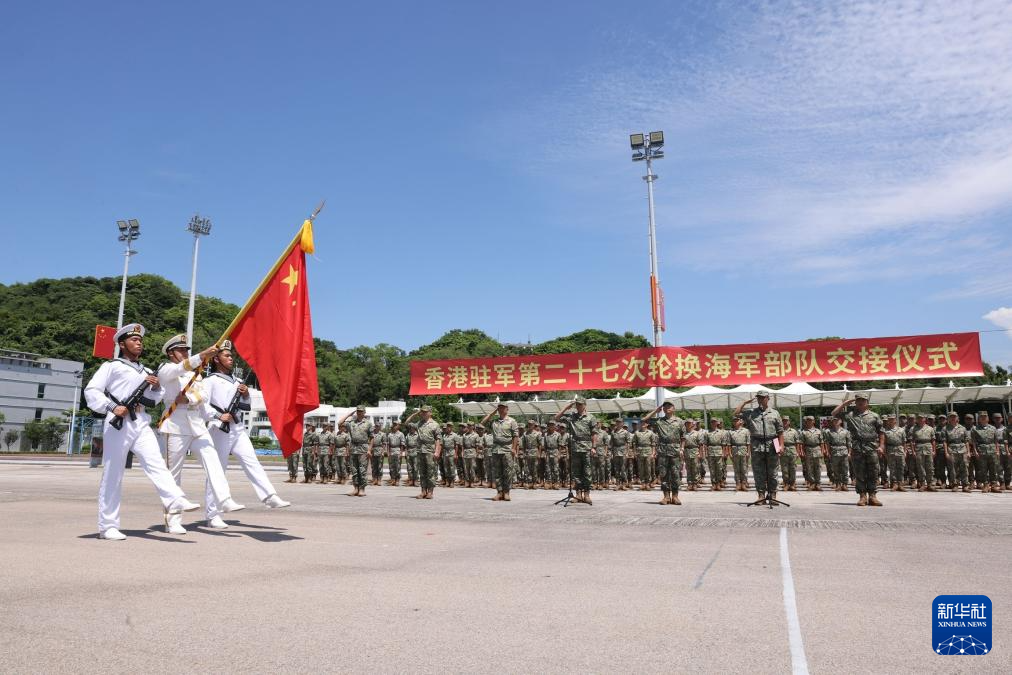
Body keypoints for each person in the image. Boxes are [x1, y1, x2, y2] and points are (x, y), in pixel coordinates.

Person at [84, 324, 201, 540]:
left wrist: (156, 387)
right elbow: (92, 390)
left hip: (140, 420)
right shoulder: (112, 366)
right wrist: (110, 407)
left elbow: (154, 399)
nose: (139, 343)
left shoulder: (148, 371)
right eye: (133, 340)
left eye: (140, 340)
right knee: (113, 474)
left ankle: (175, 498)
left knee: (155, 462)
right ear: (122, 344)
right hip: (118, 421)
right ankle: (108, 526)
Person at [157, 334, 244, 533]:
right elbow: (180, 368)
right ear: (171, 353)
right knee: (173, 473)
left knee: (212, 460)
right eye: (181, 350)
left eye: (187, 350)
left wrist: (189, 398)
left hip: (196, 422)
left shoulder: (195, 374)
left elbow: (204, 395)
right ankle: (173, 519)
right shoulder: (167, 368)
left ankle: (224, 499)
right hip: (176, 423)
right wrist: (201, 355)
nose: (186, 353)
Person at [204, 343, 290, 523]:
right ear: (216, 359)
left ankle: (269, 496)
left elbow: (246, 406)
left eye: (230, 355)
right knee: (218, 471)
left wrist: (245, 394)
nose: (230, 358)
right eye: (226, 355)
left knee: (252, 461)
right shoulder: (209, 380)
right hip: (219, 428)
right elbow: (201, 404)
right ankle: (213, 514)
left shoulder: (237, 381)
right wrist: (218, 415)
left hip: (237, 428)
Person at [831, 394, 884, 506]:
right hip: (857, 447)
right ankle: (862, 496)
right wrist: (846, 403)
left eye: (863, 400)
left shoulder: (874, 416)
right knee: (859, 472)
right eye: (858, 400)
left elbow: (881, 432)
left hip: (871, 446)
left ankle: (873, 496)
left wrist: (881, 446)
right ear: (855, 402)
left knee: (873, 472)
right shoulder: (850, 415)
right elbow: (834, 413)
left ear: (867, 402)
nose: (861, 402)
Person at [734, 392, 784, 502]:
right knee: (758, 471)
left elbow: (780, 431)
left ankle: (773, 495)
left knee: (773, 471)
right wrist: (744, 402)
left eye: (762, 398)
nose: (760, 400)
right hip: (757, 444)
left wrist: (781, 445)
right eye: (759, 398)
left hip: (772, 442)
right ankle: (761, 495)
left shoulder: (775, 413)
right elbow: (736, 413)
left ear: (768, 398)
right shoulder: (751, 413)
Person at [555, 398, 598, 504]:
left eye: (580, 404)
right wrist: (566, 407)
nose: (578, 406)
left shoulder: (591, 417)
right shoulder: (572, 417)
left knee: (587, 472)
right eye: (577, 405)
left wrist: (594, 447)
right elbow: (556, 418)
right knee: (576, 473)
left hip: (587, 447)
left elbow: (594, 433)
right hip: (575, 447)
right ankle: (578, 494)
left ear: (585, 405)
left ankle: (586, 494)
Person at [642, 401, 684, 504]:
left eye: (669, 406)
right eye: (665, 406)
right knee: (663, 474)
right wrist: (655, 411)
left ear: (674, 408)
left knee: (675, 473)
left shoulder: (679, 421)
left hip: (675, 450)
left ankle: (675, 496)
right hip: (663, 450)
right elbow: (644, 420)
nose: (667, 408)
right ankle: (666, 497)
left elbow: (683, 437)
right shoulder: (659, 421)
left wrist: (682, 449)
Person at [480, 402, 519, 501]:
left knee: (507, 472)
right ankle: (499, 492)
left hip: (507, 449)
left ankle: (506, 492)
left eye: (503, 408)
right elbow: (482, 423)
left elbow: (515, 436)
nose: (501, 410)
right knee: (497, 472)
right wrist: (492, 413)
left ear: (507, 409)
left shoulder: (512, 421)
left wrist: (514, 448)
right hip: (496, 450)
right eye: (499, 408)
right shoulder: (494, 421)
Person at [403, 406, 441, 499]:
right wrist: (415, 414)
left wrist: (437, 451)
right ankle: (423, 491)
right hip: (420, 450)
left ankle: (430, 492)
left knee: (431, 472)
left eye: (425, 412)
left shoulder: (435, 424)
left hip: (430, 450)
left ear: (430, 413)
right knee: (422, 472)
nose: (423, 413)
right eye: (422, 412)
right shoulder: (419, 423)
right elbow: (406, 423)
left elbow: (438, 439)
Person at [339, 406, 374, 497]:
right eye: (358, 411)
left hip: (363, 448)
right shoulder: (351, 423)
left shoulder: (368, 423)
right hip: (353, 448)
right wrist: (349, 414)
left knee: (362, 469)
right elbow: (339, 423)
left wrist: (369, 450)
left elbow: (372, 437)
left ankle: (362, 489)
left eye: (361, 411)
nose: (359, 413)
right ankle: (355, 488)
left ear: (364, 412)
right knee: (354, 469)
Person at [970, 411, 1002, 493]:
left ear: (988, 418)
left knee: (993, 469)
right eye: (981, 417)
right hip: (981, 451)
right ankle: (985, 485)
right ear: (979, 419)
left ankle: (994, 485)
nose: (983, 418)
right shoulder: (974, 429)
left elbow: (996, 441)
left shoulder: (993, 428)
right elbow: (973, 442)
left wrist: (997, 450)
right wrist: (975, 451)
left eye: (985, 416)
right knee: (982, 469)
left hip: (992, 450)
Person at [943, 411, 970, 492]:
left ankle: (965, 485)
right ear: (948, 419)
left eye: (954, 416)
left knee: (965, 467)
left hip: (963, 450)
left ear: (957, 418)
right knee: (953, 469)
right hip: (952, 449)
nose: (953, 418)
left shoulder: (963, 428)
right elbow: (945, 442)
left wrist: (968, 452)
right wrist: (946, 452)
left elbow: (966, 441)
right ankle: (955, 484)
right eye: (951, 417)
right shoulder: (945, 429)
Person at [822, 416, 851, 491]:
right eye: (834, 420)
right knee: (835, 469)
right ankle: (838, 484)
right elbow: (827, 443)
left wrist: (849, 453)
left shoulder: (846, 431)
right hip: (834, 451)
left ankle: (844, 484)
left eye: (837, 420)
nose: (836, 421)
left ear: (841, 421)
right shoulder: (829, 432)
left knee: (845, 469)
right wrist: (828, 452)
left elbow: (849, 443)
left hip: (844, 451)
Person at [881, 415, 908, 491]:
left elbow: (904, 442)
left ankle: (900, 484)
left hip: (900, 449)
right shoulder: (885, 431)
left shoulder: (901, 430)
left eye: (892, 419)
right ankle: (894, 483)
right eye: (889, 419)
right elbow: (884, 443)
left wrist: (905, 451)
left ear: (895, 420)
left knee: (901, 467)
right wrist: (885, 453)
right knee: (892, 468)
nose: (891, 421)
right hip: (890, 450)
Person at [911, 414, 937, 491]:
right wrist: (913, 451)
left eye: (922, 418)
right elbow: (912, 441)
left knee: (930, 467)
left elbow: (933, 440)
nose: (920, 420)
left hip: (928, 447)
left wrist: (934, 450)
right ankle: (922, 484)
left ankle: (930, 484)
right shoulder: (914, 429)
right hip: (918, 447)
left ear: (925, 419)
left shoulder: (930, 428)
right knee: (920, 467)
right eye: (919, 418)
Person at [799, 416, 825, 491]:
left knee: (818, 468)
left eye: (811, 420)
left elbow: (822, 443)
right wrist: (802, 451)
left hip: (817, 449)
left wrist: (822, 452)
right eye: (808, 421)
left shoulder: (818, 431)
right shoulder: (803, 432)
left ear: (813, 421)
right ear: (806, 422)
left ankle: (818, 484)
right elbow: (801, 443)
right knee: (809, 468)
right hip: (808, 450)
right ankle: (812, 483)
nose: (809, 422)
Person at [704, 417, 729, 491]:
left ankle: (718, 483)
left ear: (717, 423)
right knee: (712, 469)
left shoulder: (721, 432)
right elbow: (705, 444)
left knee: (719, 469)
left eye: (714, 422)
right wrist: (705, 453)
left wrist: (724, 453)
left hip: (719, 452)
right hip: (710, 452)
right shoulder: (707, 432)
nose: (713, 423)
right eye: (712, 422)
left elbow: (724, 444)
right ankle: (713, 484)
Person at [728, 416, 751, 491]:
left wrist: (748, 452)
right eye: (734, 421)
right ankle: (738, 484)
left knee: (744, 468)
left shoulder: (746, 431)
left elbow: (748, 443)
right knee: (736, 469)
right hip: (735, 451)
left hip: (743, 450)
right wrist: (730, 453)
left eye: (737, 420)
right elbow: (729, 444)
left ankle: (743, 484)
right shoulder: (731, 432)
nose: (735, 422)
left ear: (740, 421)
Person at [632, 418, 656, 492]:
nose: (643, 424)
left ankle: (648, 483)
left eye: (644, 423)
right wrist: (635, 452)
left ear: (647, 424)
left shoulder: (650, 433)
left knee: (648, 468)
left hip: (648, 451)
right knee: (641, 468)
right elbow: (634, 443)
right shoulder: (637, 433)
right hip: (640, 452)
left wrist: (653, 453)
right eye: (641, 423)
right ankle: (643, 483)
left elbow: (653, 444)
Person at [608, 419, 631, 491]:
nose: (618, 423)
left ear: (622, 423)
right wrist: (611, 453)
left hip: (623, 450)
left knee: (623, 468)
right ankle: (618, 484)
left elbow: (628, 443)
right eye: (617, 422)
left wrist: (627, 452)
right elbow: (611, 443)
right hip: (615, 451)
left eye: (620, 422)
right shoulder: (613, 432)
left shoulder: (625, 432)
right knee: (616, 468)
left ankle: (623, 484)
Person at [681, 419, 704, 491]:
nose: (688, 424)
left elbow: (700, 445)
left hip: (695, 451)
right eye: (686, 423)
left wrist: (700, 453)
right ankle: (689, 484)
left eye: (689, 423)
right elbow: (682, 443)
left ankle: (695, 483)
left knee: (695, 469)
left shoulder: (697, 433)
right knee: (688, 469)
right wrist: (682, 451)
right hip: (687, 451)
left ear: (692, 424)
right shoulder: (684, 434)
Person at [520, 419, 543, 489]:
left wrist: (539, 453)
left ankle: (534, 482)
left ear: (533, 425)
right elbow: (523, 445)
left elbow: (540, 445)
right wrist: (524, 453)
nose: (530, 425)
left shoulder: (538, 433)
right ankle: (528, 482)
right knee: (527, 469)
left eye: (531, 424)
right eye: (529, 424)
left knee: (535, 468)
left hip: (535, 452)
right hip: (527, 452)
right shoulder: (525, 434)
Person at [780, 416, 801, 491]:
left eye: (786, 421)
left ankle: (792, 484)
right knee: (784, 469)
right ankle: (786, 484)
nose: (785, 422)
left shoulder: (794, 431)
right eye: (783, 421)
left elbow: (797, 442)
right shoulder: (779, 431)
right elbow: (775, 441)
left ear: (789, 422)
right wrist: (777, 451)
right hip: (783, 450)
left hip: (792, 450)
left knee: (793, 468)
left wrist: (798, 452)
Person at [543, 420, 564, 489]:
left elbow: (560, 445)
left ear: (555, 426)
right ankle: (549, 482)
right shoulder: (546, 435)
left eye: (552, 425)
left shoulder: (558, 434)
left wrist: (559, 454)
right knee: (548, 468)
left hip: (555, 451)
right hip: (548, 452)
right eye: (550, 425)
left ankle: (556, 482)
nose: (551, 426)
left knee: (556, 468)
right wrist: (545, 454)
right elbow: (545, 446)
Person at [439, 422, 460, 488]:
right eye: (447, 427)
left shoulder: (454, 435)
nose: (448, 428)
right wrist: (440, 453)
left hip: (451, 452)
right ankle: (447, 482)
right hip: (445, 452)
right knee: (446, 468)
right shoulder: (444, 435)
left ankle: (452, 482)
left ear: (451, 427)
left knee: (452, 467)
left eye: (449, 427)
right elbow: (442, 445)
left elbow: (456, 446)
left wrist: (456, 454)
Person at [460, 422, 479, 488]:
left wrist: (476, 453)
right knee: (466, 468)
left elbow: (477, 445)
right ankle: (467, 481)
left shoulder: (476, 435)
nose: (469, 427)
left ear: (473, 427)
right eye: (468, 426)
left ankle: (472, 482)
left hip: (472, 451)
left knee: (472, 468)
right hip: (466, 452)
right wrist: (462, 452)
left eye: (470, 426)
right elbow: (462, 445)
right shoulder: (464, 435)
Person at [386, 421, 405, 486]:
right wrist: (388, 453)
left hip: (397, 450)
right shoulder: (389, 434)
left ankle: (397, 480)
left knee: (397, 466)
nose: (394, 426)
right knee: (391, 466)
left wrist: (401, 453)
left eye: (395, 425)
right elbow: (388, 444)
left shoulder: (401, 434)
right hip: (391, 451)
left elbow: (402, 444)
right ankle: (392, 479)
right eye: (393, 425)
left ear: (398, 426)